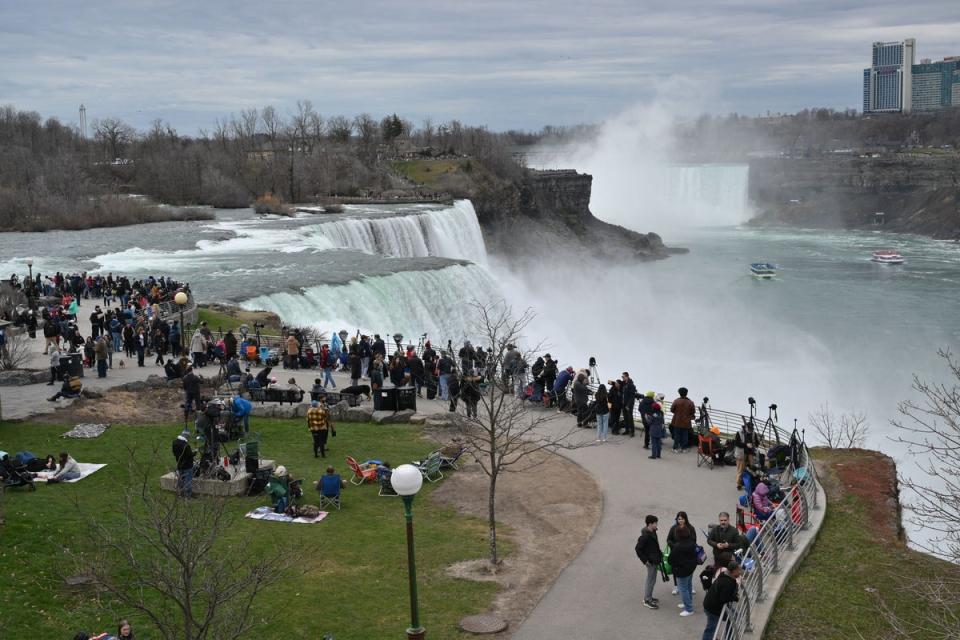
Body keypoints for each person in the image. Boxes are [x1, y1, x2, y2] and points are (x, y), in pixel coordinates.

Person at [702, 561, 742, 640]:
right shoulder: (727, 583)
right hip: (713, 609)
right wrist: (735, 597)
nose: (740, 572)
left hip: (711, 605)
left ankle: (724, 637)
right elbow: (724, 598)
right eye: (739, 570)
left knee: (733, 617)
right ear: (733, 571)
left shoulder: (724, 575)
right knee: (711, 628)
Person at [667, 511, 698, 597]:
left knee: (689, 571)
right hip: (676, 552)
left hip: (688, 553)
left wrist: (685, 545)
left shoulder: (690, 528)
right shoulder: (673, 528)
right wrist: (675, 546)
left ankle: (690, 586)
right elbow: (669, 539)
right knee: (676, 569)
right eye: (679, 519)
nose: (680, 521)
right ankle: (676, 586)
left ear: (686, 519)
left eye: (682, 519)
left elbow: (694, 540)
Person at [635, 514, 662, 610]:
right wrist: (645, 560)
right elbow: (638, 549)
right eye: (655, 523)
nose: (657, 524)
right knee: (650, 580)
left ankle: (649, 597)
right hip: (650, 561)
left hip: (654, 559)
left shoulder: (653, 532)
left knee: (652, 579)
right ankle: (647, 600)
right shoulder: (645, 536)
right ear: (650, 524)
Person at [671, 525, 698, 616]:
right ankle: (687, 603)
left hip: (681, 571)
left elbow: (671, 559)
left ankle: (689, 609)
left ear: (677, 535)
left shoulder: (677, 546)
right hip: (690, 568)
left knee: (683, 589)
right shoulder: (691, 543)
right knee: (688, 586)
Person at [734, 419, 760, 489]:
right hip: (741, 453)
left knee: (752, 468)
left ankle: (751, 483)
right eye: (749, 429)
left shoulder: (754, 433)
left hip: (751, 453)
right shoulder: (739, 433)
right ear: (745, 427)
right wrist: (746, 445)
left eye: (752, 429)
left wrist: (755, 445)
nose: (751, 431)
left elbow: (757, 442)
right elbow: (736, 443)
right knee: (740, 469)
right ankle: (739, 484)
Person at [670, 387, 696, 452]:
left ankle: (675, 448)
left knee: (676, 435)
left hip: (677, 421)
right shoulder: (690, 402)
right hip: (686, 422)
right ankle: (684, 448)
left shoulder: (676, 401)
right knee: (685, 435)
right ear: (686, 393)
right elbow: (693, 412)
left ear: (679, 393)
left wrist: (677, 413)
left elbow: (672, 410)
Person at [172, 428, 195, 498]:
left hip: (179, 464)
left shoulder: (174, 442)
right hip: (187, 466)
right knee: (188, 481)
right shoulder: (186, 445)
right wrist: (195, 453)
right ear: (186, 436)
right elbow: (189, 455)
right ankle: (187, 496)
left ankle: (180, 494)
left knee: (180, 481)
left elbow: (174, 453)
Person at [621, 372, 637, 437]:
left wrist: (628, 405)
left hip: (629, 404)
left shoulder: (631, 385)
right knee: (625, 417)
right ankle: (627, 430)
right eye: (622, 377)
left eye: (623, 377)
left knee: (630, 418)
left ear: (627, 376)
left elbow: (632, 396)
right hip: (624, 403)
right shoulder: (625, 384)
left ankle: (632, 432)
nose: (622, 378)